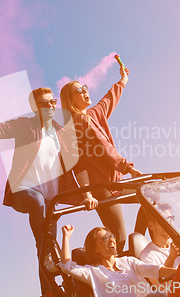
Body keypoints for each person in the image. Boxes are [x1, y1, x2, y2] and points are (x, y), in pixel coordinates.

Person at [0, 87, 98, 296]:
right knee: (38, 204)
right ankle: (50, 274)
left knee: (46, 244)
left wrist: (88, 194)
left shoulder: (61, 133)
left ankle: (50, 292)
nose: (51, 106)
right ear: (35, 108)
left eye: (53, 101)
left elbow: (77, 166)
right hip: (24, 191)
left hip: (50, 200)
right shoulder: (25, 125)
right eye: (45, 103)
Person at [60, 65, 141, 254]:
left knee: (152, 198)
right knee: (118, 240)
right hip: (101, 189)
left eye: (85, 88)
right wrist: (128, 168)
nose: (85, 91)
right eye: (79, 90)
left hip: (115, 183)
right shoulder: (76, 123)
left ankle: (139, 248)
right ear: (70, 100)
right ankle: (115, 269)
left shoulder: (95, 113)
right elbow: (101, 149)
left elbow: (110, 97)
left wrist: (123, 80)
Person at [59, 225, 176, 297]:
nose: (111, 241)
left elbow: (153, 270)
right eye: (105, 239)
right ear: (95, 249)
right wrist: (66, 237)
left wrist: (178, 271)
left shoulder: (129, 261)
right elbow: (66, 267)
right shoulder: (93, 272)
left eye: (112, 237)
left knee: (162, 294)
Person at [139, 204, 180, 288]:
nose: (168, 223)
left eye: (170, 219)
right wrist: (171, 258)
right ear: (151, 226)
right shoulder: (147, 256)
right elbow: (160, 286)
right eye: (163, 220)